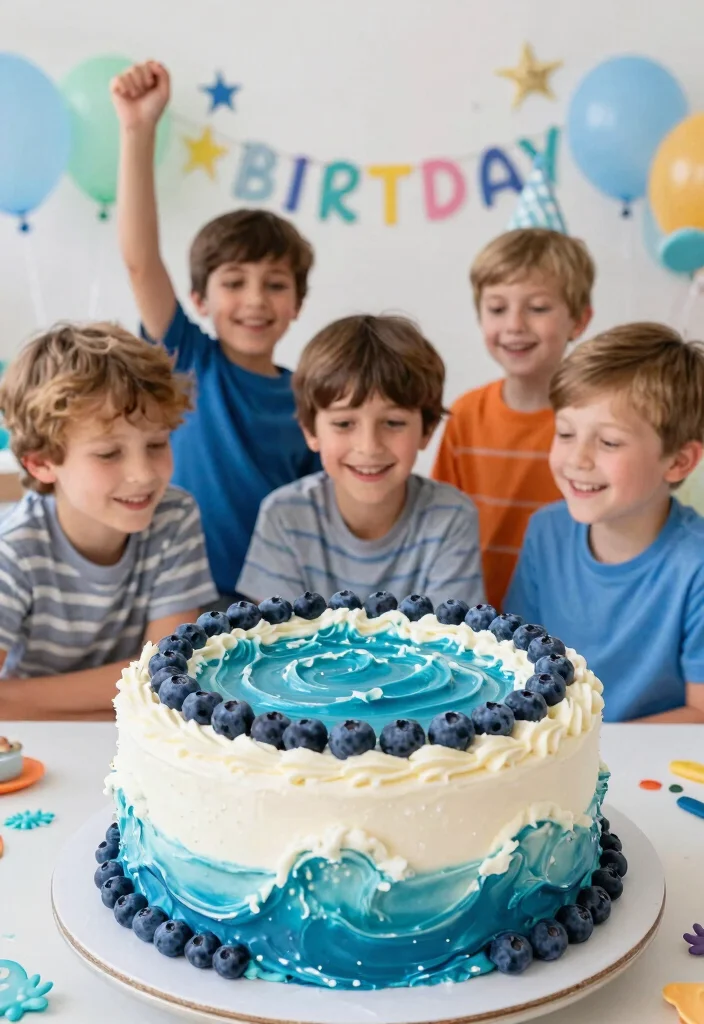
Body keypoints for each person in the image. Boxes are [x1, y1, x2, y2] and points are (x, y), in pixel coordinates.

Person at [111, 61, 319, 605]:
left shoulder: (311, 394)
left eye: (275, 284)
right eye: (234, 283)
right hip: (174, 596)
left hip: (273, 603)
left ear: (297, 303)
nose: (254, 300)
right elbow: (139, 261)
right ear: (201, 299)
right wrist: (138, 131)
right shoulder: (185, 358)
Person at [0, 323, 217, 721]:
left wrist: (13, 697)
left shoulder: (174, 516)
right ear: (41, 462)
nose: (143, 474)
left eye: (156, 444)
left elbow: (166, 672)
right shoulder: (13, 549)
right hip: (34, 741)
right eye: (107, 454)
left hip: (122, 731)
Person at [506, 323, 704, 724]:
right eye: (565, 433)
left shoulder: (696, 565)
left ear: (679, 461)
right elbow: (515, 662)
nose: (577, 459)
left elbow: (700, 713)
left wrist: (588, 750)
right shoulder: (546, 532)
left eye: (609, 442)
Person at [238, 314, 484, 608]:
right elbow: (279, 641)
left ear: (427, 429)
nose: (369, 447)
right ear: (310, 430)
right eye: (344, 424)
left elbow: (450, 642)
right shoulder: (284, 516)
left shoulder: (451, 517)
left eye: (393, 422)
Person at [433, 228, 594, 611]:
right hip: (477, 620)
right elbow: (438, 520)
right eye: (497, 308)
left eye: (537, 308)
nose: (515, 325)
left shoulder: (595, 424)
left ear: (579, 320)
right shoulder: (466, 414)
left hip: (567, 615)